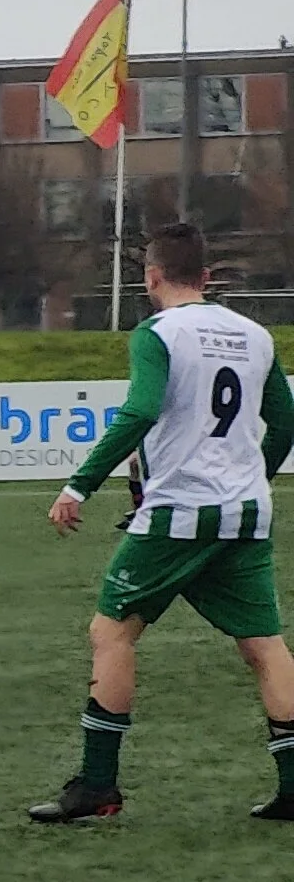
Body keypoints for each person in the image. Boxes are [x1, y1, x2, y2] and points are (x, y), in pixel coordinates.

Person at [31, 222, 294, 823]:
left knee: (112, 633)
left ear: (150, 278)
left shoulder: (158, 333)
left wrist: (79, 485)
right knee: (265, 647)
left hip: (177, 514)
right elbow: (285, 422)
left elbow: (141, 410)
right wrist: (251, 477)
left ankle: (98, 786)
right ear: (207, 277)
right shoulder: (255, 335)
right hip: (245, 514)